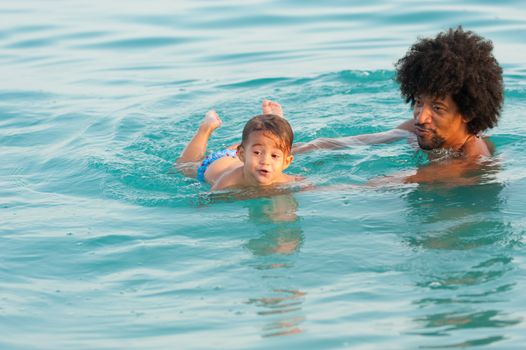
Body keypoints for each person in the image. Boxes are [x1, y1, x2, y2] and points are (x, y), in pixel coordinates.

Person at [293, 27, 504, 184]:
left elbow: (374, 186)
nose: (421, 117)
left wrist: (279, 186)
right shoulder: (419, 128)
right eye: (419, 103)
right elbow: (356, 141)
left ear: (468, 112)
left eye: (437, 108)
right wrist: (285, 148)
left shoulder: (469, 164)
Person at [175, 100, 301, 191]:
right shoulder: (229, 181)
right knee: (184, 165)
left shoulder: (286, 180)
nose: (265, 161)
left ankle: (273, 122)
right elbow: (208, 200)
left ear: (286, 162)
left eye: (274, 156)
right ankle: (207, 127)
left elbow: (308, 185)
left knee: (268, 142)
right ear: (241, 154)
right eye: (257, 153)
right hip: (214, 163)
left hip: (242, 155)